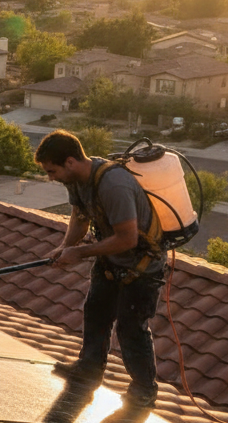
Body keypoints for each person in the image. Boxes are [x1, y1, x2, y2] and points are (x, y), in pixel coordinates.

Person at [35, 130, 165, 408]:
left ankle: (144, 390)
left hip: (142, 266)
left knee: (131, 328)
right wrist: (64, 247)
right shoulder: (78, 180)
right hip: (111, 261)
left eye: (52, 171)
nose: (51, 177)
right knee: (95, 312)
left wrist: (79, 252)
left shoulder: (113, 184)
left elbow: (128, 238)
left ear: (70, 162)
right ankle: (89, 369)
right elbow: (80, 218)